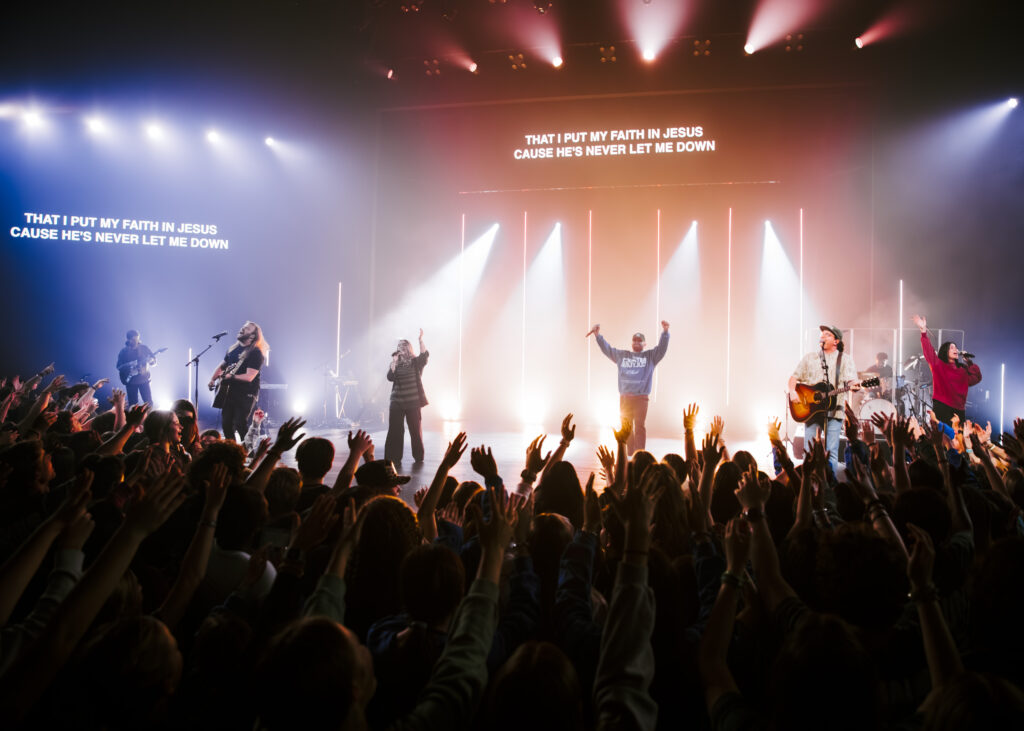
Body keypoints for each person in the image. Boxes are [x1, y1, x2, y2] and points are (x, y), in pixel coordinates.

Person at [788, 325, 861, 474]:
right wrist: (792, 391)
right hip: (811, 411)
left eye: (827, 334)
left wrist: (855, 385)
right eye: (822, 334)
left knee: (831, 453)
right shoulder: (810, 358)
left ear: (836, 341)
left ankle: (830, 487)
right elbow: (793, 378)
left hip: (835, 411)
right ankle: (808, 486)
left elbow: (852, 381)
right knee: (809, 452)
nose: (822, 336)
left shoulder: (845, 359)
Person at [590, 320, 670, 454]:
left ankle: (639, 456)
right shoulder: (622, 355)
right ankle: (629, 455)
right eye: (634, 340)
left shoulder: (650, 356)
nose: (637, 342)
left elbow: (661, 349)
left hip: (641, 399)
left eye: (639, 341)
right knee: (626, 428)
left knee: (639, 427)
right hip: (625, 398)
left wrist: (665, 333)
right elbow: (608, 349)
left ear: (644, 344)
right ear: (632, 343)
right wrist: (598, 336)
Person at [912, 314, 981, 425]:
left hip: (959, 410)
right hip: (942, 407)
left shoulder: (962, 370)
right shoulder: (938, 365)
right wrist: (923, 331)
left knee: (957, 439)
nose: (956, 349)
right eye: (952, 347)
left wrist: (968, 362)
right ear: (945, 351)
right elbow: (928, 351)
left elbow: (976, 378)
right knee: (943, 438)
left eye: (956, 347)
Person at [208, 321, 268, 443]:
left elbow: (249, 376)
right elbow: (222, 366)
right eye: (243, 327)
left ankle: (249, 452)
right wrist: (213, 379)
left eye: (247, 329)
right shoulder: (232, 349)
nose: (242, 329)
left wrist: (232, 377)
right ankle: (233, 452)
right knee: (226, 425)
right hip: (230, 392)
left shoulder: (255, 352)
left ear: (252, 336)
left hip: (246, 393)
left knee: (240, 423)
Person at [384, 329, 428, 464]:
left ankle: (418, 456)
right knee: (395, 431)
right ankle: (393, 457)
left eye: (403, 346)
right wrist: (394, 363)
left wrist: (420, 340)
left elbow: (424, 355)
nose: (400, 349)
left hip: (412, 401)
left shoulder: (415, 362)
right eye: (399, 347)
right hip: (396, 401)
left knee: (415, 430)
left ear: (408, 348)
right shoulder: (396, 363)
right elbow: (390, 377)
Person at [115, 330, 156, 407]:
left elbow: (154, 362)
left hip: (144, 380)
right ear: (128, 340)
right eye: (133, 340)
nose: (136, 342)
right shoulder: (123, 352)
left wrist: (152, 361)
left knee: (149, 403)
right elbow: (119, 367)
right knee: (133, 405)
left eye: (137, 339)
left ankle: (149, 417)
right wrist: (129, 365)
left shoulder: (144, 348)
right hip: (131, 381)